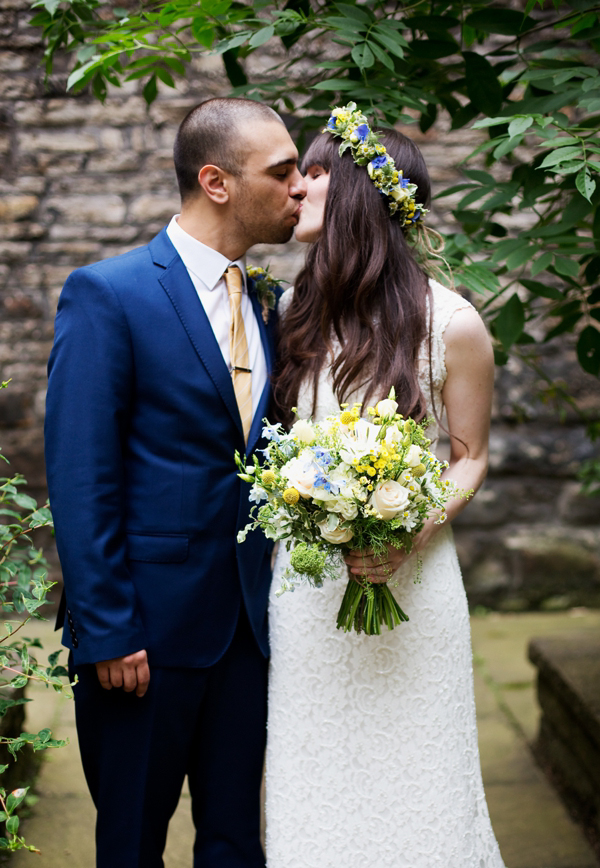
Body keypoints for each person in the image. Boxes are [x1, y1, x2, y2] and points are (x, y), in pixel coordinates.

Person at [44, 97, 306, 868]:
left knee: (236, 842)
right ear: (216, 181)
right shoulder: (109, 293)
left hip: (250, 635)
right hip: (143, 640)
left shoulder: (270, 304)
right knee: (131, 844)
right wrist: (110, 628)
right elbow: (81, 473)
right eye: (283, 172)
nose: (301, 188)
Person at [265, 105, 505, 867]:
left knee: (422, 783)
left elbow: (468, 456)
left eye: (313, 172)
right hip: (306, 595)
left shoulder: (453, 323)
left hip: (417, 589)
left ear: (362, 194)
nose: (296, 189)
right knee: (314, 783)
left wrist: (415, 525)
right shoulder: (289, 315)